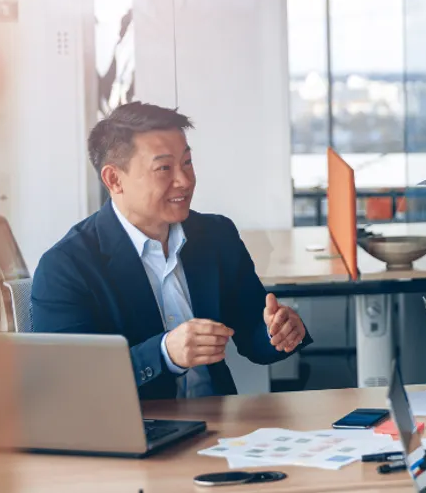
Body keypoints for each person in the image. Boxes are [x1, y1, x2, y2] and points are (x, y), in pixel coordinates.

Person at [32, 102, 311, 400]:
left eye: (187, 162)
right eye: (164, 168)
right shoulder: (66, 265)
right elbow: (70, 381)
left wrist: (279, 332)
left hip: (219, 424)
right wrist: (165, 353)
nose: (185, 181)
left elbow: (253, 334)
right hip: (135, 431)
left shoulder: (216, 236)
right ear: (114, 179)